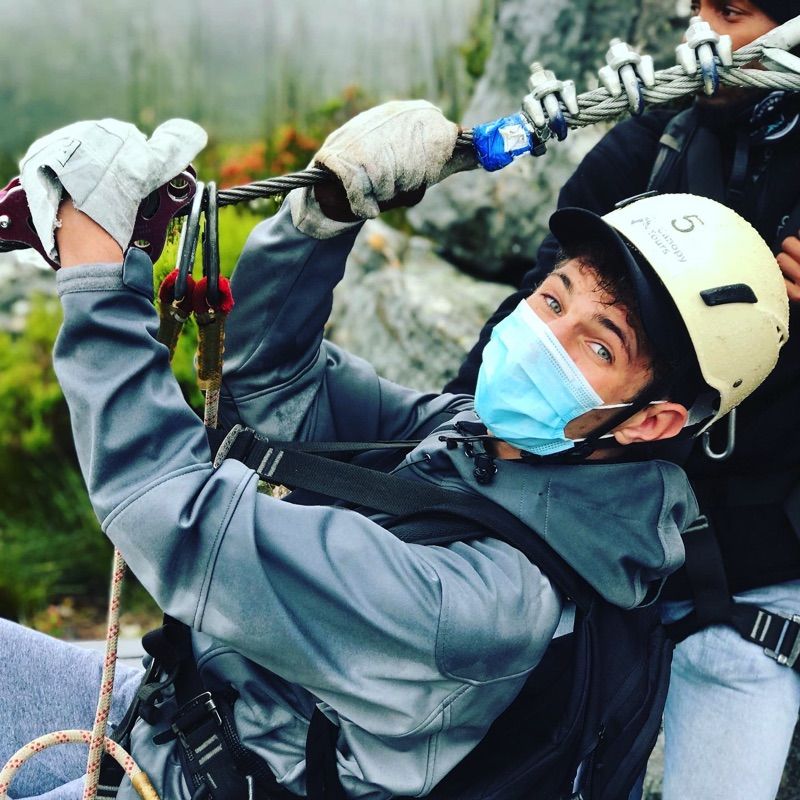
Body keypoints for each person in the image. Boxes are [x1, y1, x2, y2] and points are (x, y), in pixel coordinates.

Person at [0, 105, 787, 800]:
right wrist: (320, 220)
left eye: (598, 344)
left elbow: (171, 515)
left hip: (201, 773)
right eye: (553, 297)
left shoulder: (484, 607)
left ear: (651, 422)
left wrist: (99, 278)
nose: (544, 334)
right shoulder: (494, 448)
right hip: (191, 710)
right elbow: (277, 386)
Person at [446, 2, 800, 798]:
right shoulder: (662, 134)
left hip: (751, 585)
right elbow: (541, 296)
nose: (699, 31)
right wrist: (451, 433)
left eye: (730, 11)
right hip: (590, 535)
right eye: (695, 6)